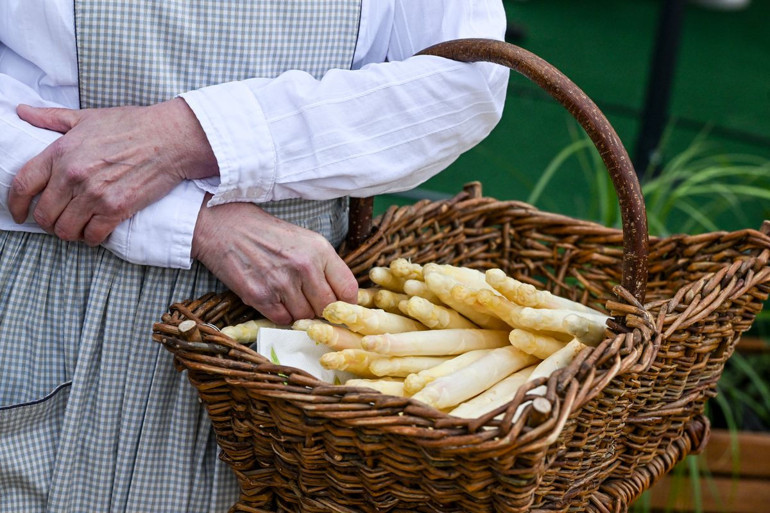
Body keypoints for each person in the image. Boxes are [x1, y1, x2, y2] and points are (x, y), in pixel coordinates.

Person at [0, 1, 508, 511]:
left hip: (286, 323)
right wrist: (196, 220)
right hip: (48, 286)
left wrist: (189, 135)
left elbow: (466, 84)